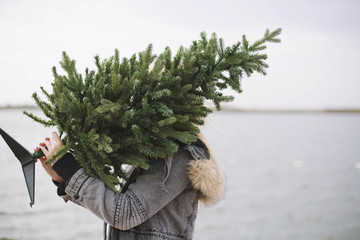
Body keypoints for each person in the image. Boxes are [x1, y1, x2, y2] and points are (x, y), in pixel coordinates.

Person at [38, 131, 225, 240]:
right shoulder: (150, 150)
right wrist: (64, 179)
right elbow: (113, 204)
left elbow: (124, 213)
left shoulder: (179, 155)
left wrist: (69, 168)